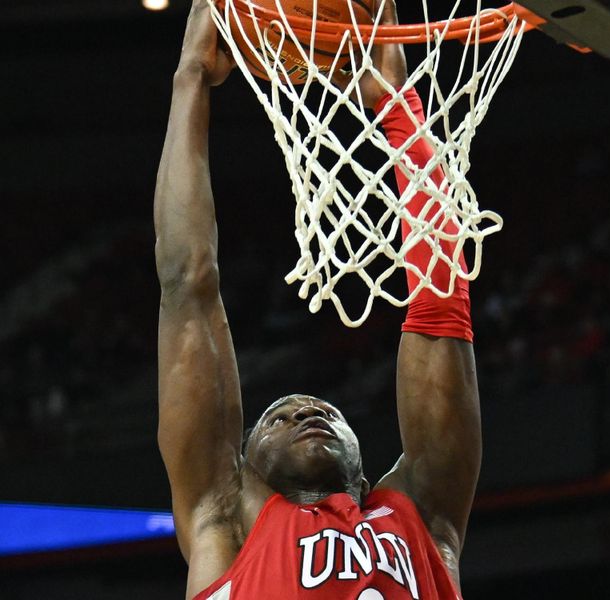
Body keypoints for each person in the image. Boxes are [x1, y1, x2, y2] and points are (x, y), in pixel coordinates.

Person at [154, 1, 480, 598]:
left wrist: (397, 104)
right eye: (278, 419)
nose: (306, 414)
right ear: (246, 468)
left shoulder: (425, 518)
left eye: (323, 414)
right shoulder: (223, 524)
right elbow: (187, 284)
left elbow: (440, 304)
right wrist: (190, 80)